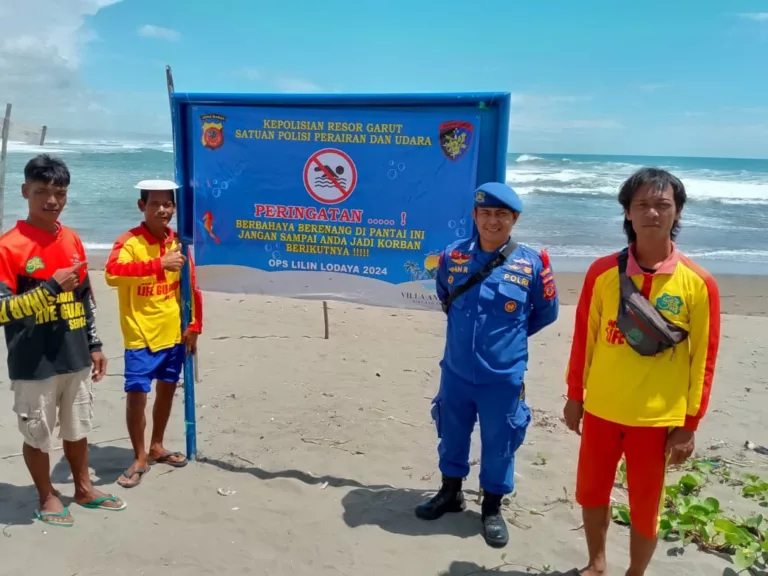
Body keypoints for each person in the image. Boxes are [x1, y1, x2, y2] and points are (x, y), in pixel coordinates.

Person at [563, 168, 721, 576]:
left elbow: (703, 359)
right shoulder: (602, 272)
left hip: (656, 418)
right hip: (601, 408)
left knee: (645, 504)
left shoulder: (698, 283)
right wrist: (575, 396)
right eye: (642, 205)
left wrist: (689, 424)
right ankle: (596, 564)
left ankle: (635, 573)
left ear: (677, 211)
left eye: (662, 204)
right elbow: (586, 340)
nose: (653, 212)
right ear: (628, 214)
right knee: (592, 491)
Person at [415, 182, 559, 548]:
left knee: (500, 441)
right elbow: (446, 295)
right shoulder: (452, 256)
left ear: (514, 219)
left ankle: (492, 507)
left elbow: (545, 313)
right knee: (451, 431)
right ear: (475, 216)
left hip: (503, 376)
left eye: (501, 215)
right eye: (486, 213)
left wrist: (504, 341)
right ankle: (450, 493)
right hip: (457, 372)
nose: (493, 221)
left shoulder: (533, 263)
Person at [0, 154, 125, 527]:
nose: (51, 200)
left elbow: (84, 296)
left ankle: (83, 488)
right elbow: (2, 311)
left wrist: (95, 344)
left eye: (59, 192)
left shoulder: (71, 239)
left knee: (78, 428)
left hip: (75, 356)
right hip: (33, 362)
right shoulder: (10, 246)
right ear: (25, 192)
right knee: (38, 435)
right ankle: (46, 495)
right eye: (42, 192)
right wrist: (51, 287)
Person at [105, 179, 203, 488]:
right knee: (137, 397)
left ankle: (157, 446)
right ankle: (139, 457)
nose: (162, 209)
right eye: (154, 204)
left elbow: (192, 286)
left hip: (173, 332)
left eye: (167, 204)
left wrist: (195, 326)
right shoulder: (129, 242)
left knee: (167, 391)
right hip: (140, 335)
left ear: (174, 208)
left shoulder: (179, 241)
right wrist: (159, 264)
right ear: (142, 206)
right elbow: (112, 274)